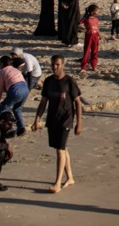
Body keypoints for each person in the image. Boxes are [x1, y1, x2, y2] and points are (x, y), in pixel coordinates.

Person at [32, 55, 83, 194]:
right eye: (53, 64)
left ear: (63, 65)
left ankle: (57, 183)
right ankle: (70, 178)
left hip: (66, 119)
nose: (54, 67)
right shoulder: (48, 81)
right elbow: (43, 102)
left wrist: (79, 124)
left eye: (57, 64)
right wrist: (37, 119)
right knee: (62, 148)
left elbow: (78, 103)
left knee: (60, 150)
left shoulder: (69, 81)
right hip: (52, 119)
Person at [0, 56, 29, 137]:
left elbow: (0, 90)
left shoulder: (2, 71)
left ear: (2, 64)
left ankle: (8, 130)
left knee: (2, 109)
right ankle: (21, 128)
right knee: (17, 109)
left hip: (15, 89)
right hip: (25, 89)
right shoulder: (15, 69)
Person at [79, 4, 101, 72]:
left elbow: (97, 28)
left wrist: (100, 36)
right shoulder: (86, 18)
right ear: (92, 12)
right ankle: (83, 67)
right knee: (86, 51)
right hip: (89, 36)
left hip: (95, 36)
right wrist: (84, 29)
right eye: (97, 11)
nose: (97, 12)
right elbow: (78, 24)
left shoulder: (96, 19)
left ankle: (94, 65)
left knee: (95, 51)